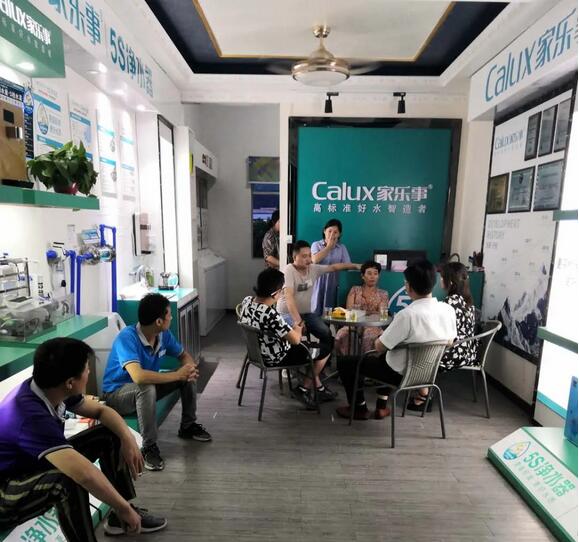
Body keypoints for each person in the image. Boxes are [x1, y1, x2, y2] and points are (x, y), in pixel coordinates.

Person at [0, 338, 167, 541]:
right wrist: (122, 507)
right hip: (6, 491)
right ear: (70, 382)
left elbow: (101, 411)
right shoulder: (29, 415)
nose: (89, 372)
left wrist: (127, 437)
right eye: (86, 369)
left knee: (109, 434)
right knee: (67, 480)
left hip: (29, 467)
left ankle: (119, 518)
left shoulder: (51, 387)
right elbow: (83, 474)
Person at [102, 293, 211, 472]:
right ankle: (149, 447)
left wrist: (190, 369)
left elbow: (183, 355)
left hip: (146, 388)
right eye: (169, 315)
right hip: (116, 395)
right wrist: (178, 375)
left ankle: (188, 426)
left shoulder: (163, 335)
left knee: (186, 373)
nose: (171, 318)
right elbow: (139, 377)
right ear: (159, 321)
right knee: (147, 387)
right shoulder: (127, 338)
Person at [335, 260, 456, 421]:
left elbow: (379, 346)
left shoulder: (407, 315)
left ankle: (359, 408)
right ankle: (381, 407)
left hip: (399, 374)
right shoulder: (448, 310)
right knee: (388, 357)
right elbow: (450, 341)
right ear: (433, 283)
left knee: (346, 362)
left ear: (408, 287)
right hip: (429, 375)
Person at [276, 240, 360, 405]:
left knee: (327, 337)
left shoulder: (313, 269)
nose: (308, 259)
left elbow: (334, 267)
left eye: (310, 255)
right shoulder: (288, 271)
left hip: (307, 313)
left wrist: (358, 266)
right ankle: (315, 382)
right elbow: (290, 298)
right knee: (300, 343)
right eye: (304, 256)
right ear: (294, 257)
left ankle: (311, 378)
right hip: (287, 314)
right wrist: (298, 322)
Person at [407, 261, 477, 411]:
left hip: (454, 352)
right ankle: (423, 391)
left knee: (421, 351)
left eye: (442, 277)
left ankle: (424, 397)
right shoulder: (467, 300)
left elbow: (439, 332)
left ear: (450, 282)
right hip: (469, 351)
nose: (440, 280)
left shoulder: (449, 303)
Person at [238, 269, 316, 403]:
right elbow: (296, 340)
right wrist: (298, 328)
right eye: (282, 291)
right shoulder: (270, 314)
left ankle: (312, 384)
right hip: (274, 358)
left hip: (255, 353)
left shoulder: (247, 301)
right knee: (321, 350)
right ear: (275, 294)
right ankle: (305, 388)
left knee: (306, 347)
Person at [335, 260, 389, 356]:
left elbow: (381, 314)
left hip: (372, 325)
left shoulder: (383, 294)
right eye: (369, 273)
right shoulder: (355, 290)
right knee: (342, 335)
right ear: (362, 276)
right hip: (353, 324)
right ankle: (349, 362)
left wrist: (361, 312)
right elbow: (350, 311)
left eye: (375, 273)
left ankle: (367, 363)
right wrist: (370, 312)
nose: (372, 276)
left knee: (369, 336)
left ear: (378, 276)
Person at [311, 219, 352, 315]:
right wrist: (329, 247)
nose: (332, 234)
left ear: (339, 234)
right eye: (329, 231)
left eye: (335, 232)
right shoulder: (316, 245)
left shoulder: (342, 248)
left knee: (332, 314)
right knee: (315, 313)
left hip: (334, 284)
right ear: (324, 231)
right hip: (318, 284)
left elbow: (348, 266)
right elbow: (315, 260)